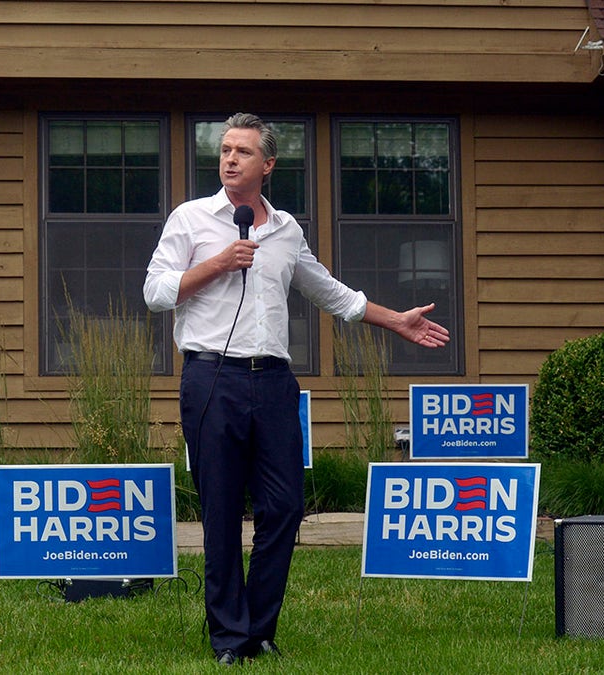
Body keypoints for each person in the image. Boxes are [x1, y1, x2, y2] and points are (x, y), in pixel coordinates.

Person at [143, 112, 450, 665]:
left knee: (284, 509)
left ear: (268, 165)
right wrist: (216, 263)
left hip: (275, 383)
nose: (229, 158)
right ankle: (230, 638)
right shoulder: (190, 219)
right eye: (225, 149)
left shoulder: (286, 230)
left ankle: (259, 627)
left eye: (242, 151)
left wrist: (395, 320)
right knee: (219, 512)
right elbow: (155, 292)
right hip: (212, 376)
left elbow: (330, 292)